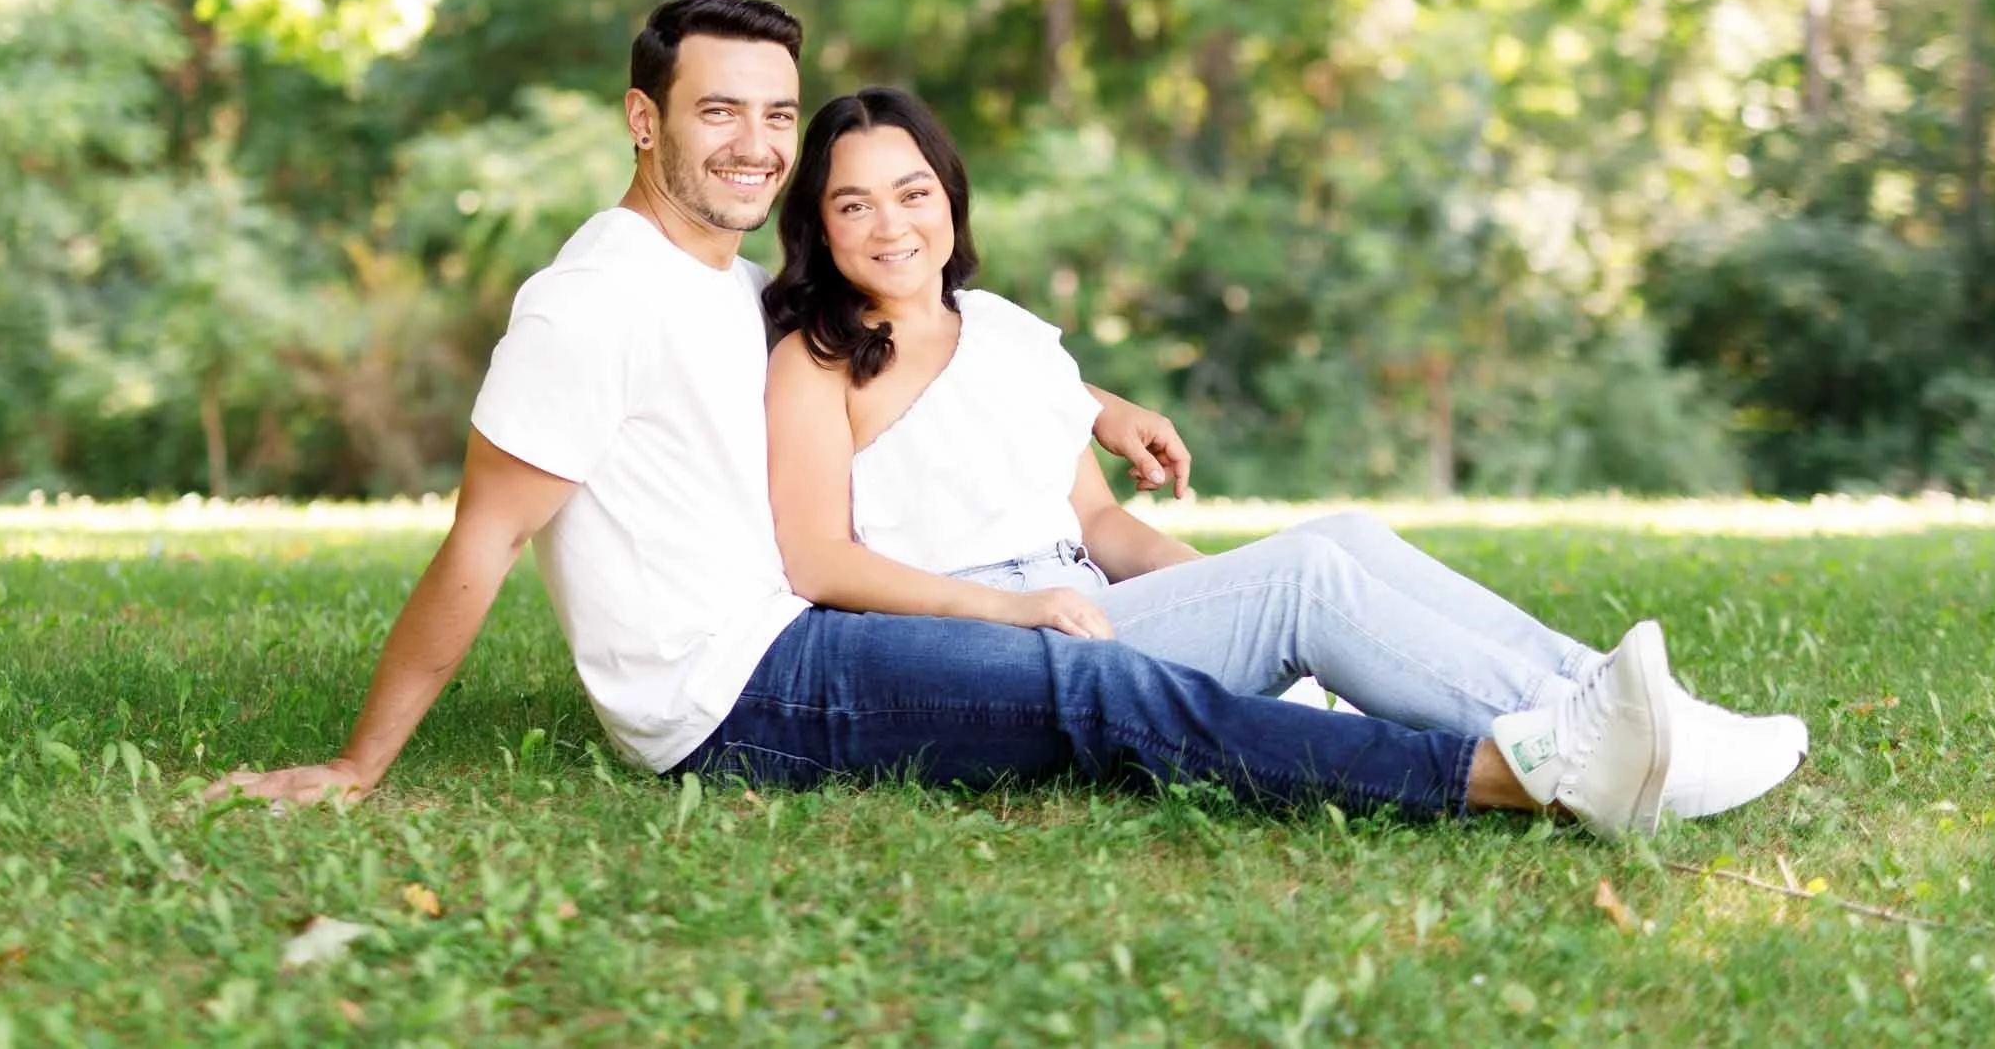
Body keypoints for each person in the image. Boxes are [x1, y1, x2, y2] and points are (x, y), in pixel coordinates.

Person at [215, 0, 1689, 837]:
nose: (755, 144)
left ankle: (1611, 717)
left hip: (813, 643)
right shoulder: (588, 300)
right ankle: (1513, 774)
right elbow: (478, 548)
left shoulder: (722, 284)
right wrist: (358, 766)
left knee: (1166, 626)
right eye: (718, 111)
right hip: (733, 700)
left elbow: (898, 353)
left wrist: (1087, 397)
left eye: (775, 115)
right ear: (644, 117)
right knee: (1097, 687)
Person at [760, 87, 1808, 822]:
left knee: (1336, 539)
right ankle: (1590, 743)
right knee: (1304, 579)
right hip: (995, 642)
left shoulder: (1003, 327)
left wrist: (1220, 590)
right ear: (819, 222)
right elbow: (818, 560)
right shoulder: (817, 360)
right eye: (853, 203)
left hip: (1086, 598)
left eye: (912, 191)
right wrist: (1014, 610)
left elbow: (1099, 525)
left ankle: (1624, 703)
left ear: (949, 195)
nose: (889, 223)